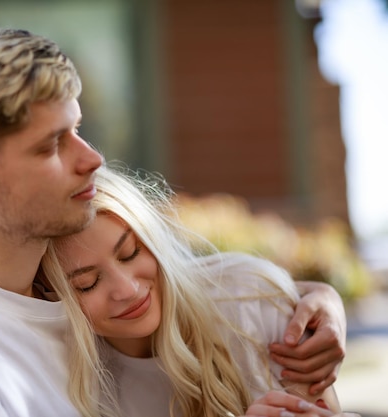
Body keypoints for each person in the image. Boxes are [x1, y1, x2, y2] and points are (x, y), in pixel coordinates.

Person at [0, 22, 346, 416]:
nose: (92, 159)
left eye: (78, 130)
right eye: (51, 145)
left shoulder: (50, 291)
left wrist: (308, 299)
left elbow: (208, 294)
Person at [41, 164, 351, 417]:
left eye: (131, 252)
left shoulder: (248, 299)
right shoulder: (67, 379)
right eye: (87, 284)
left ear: (153, 238)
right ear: (51, 294)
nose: (128, 289)